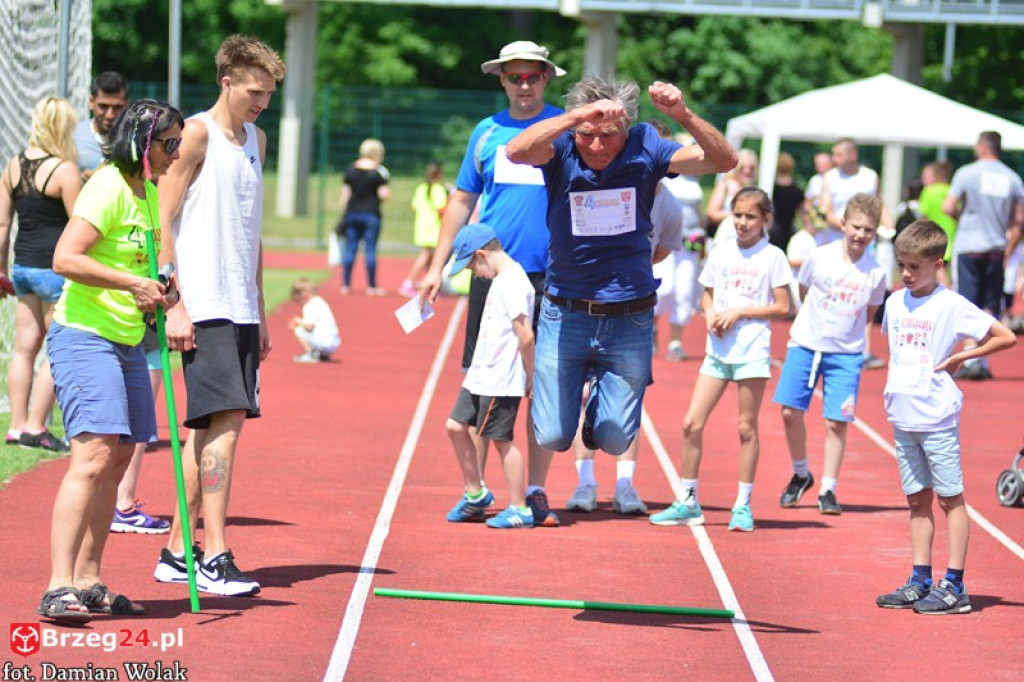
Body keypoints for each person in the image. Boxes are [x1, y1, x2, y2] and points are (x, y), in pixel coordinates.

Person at [506, 76, 737, 464]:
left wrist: (681, 114)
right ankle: (591, 396)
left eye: (609, 134)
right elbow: (516, 151)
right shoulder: (562, 146)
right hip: (566, 313)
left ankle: (604, 405)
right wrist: (576, 117)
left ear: (626, 128)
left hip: (629, 316)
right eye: (587, 134)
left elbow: (724, 161)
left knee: (614, 441)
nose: (597, 145)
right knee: (552, 436)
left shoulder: (645, 144)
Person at [37, 98, 183, 624]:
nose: (176, 154)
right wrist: (132, 283)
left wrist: (163, 288)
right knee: (94, 457)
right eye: (170, 144)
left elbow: (144, 260)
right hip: (86, 336)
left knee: (121, 457)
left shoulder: (146, 193)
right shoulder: (107, 185)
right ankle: (57, 586)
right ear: (143, 143)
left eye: (180, 144)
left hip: (127, 338)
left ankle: (88, 578)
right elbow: (65, 258)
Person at [155, 34, 285, 597]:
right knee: (225, 428)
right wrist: (176, 301)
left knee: (207, 432)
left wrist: (259, 308)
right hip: (202, 305)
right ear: (226, 81)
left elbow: (251, 233)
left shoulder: (256, 137)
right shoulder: (196, 135)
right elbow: (161, 222)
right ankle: (216, 553)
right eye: (255, 91)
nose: (262, 103)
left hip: (241, 307)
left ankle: (175, 551)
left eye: (270, 94)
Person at [419, 40, 567, 527]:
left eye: (532, 77)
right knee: (483, 381)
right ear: (501, 80)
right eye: (514, 77)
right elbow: (461, 202)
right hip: (492, 274)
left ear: (547, 77)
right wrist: (438, 266)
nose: (524, 86)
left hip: (553, 276)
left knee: (538, 386)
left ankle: (535, 490)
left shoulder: (564, 130)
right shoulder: (485, 134)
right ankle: (478, 490)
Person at [875, 219, 1015, 614]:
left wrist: (960, 357)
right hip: (903, 417)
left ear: (937, 264)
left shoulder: (951, 304)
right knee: (916, 502)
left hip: (936, 419)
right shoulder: (895, 302)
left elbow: (1005, 336)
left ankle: (955, 585)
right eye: (901, 264)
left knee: (950, 500)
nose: (905, 273)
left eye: (915, 267)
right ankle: (920, 579)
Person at [649, 187, 791, 532]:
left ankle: (742, 505)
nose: (742, 223)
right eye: (738, 215)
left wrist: (740, 312)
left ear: (765, 220)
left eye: (750, 217)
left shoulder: (773, 256)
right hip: (718, 350)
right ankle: (688, 500)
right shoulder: (721, 252)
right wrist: (712, 313)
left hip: (752, 350)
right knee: (691, 423)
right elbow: (707, 297)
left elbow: (784, 307)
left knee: (746, 427)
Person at [566, 123, 686, 515]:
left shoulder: (669, 204)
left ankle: (625, 485)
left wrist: (629, 274)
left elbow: (664, 248)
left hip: (633, 311)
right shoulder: (607, 185)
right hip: (585, 305)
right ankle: (585, 484)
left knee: (628, 400)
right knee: (584, 397)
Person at [773, 193, 887, 515]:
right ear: (843, 224)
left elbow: (869, 312)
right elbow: (804, 291)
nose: (861, 235)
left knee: (837, 423)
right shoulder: (818, 257)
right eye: (856, 227)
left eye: (868, 229)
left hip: (846, 354)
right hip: (806, 343)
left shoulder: (875, 273)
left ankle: (828, 488)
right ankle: (800, 473)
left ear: (875, 232)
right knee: (789, 412)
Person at [443, 223, 537, 528]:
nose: (473, 273)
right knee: (456, 426)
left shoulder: (513, 282)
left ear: (483, 255)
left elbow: (526, 336)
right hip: (481, 374)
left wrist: (531, 377)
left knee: (501, 440)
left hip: (501, 377)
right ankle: (475, 493)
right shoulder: (500, 279)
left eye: (471, 266)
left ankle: (520, 507)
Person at [0, 97, 80, 453]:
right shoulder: (64, 170)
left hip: (23, 268)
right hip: (55, 270)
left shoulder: (12, 167)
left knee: (23, 350)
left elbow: (3, 223)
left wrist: (1, 270)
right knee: (56, 349)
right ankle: (37, 426)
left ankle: (17, 427)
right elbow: (81, 223)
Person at [941, 131, 1024, 380]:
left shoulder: (966, 173)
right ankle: (983, 360)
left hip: (969, 245)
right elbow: (1019, 219)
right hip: (996, 247)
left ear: (981, 147)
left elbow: (948, 206)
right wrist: (1009, 245)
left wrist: (963, 220)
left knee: (967, 302)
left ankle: (969, 356)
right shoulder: (1012, 178)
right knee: (989, 303)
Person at [820, 137, 891, 370]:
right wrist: (847, 226)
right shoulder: (830, 177)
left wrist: (889, 228)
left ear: (852, 155)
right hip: (837, 240)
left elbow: (880, 204)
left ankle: (864, 348)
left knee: (864, 292)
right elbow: (825, 209)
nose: (834, 159)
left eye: (838, 154)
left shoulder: (869, 176)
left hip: (866, 244)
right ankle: (826, 339)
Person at [657, 128, 705, 362]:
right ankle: (651, 330)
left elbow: (698, 213)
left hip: (689, 241)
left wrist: (702, 236)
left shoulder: (695, 178)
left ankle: (675, 341)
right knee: (663, 288)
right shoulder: (664, 174)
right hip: (666, 238)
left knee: (685, 291)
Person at [337, 138, 390, 295]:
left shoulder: (351, 170)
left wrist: (345, 212)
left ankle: (346, 284)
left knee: (351, 249)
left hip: (353, 213)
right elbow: (384, 194)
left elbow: (345, 194)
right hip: (371, 214)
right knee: (370, 249)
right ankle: (371, 286)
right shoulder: (378, 172)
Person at [399, 163, 447, 297]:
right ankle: (408, 282)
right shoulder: (438, 189)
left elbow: (414, 207)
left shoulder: (421, 188)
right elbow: (441, 209)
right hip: (434, 227)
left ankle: (429, 283)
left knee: (430, 256)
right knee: (426, 256)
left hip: (422, 226)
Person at [72, 71, 129, 181]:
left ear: (127, 105)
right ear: (91, 102)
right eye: (103, 106)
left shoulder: (135, 141)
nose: (110, 115)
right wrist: (78, 180)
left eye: (117, 107)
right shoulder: (72, 136)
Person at [706, 148, 758, 244]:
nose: (747, 171)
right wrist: (737, 216)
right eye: (743, 167)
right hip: (722, 237)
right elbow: (712, 213)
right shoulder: (725, 185)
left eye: (751, 168)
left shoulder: (755, 190)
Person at [918, 160, 956, 287]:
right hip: (954, 237)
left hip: (934, 238)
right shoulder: (952, 191)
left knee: (938, 273)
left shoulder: (928, 191)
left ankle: (947, 297)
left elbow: (923, 216)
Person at [288, 276, 341, 363]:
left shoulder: (310, 305)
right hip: (334, 344)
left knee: (299, 330)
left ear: (304, 295)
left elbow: (308, 326)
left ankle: (311, 354)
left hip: (324, 343)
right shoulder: (321, 302)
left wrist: (298, 322)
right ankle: (323, 355)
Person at [770, 152, 805, 252]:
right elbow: (803, 212)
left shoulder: (771, 189)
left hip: (774, 230)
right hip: (789, 229)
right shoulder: (797, 191)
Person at [802, 151, 834, 241]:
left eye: (821, 164)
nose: (818, 166)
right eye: (817, 164)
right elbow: (807, 202)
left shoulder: (836, 178)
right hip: (817, 224)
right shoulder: (814, 180)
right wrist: (808, 222)